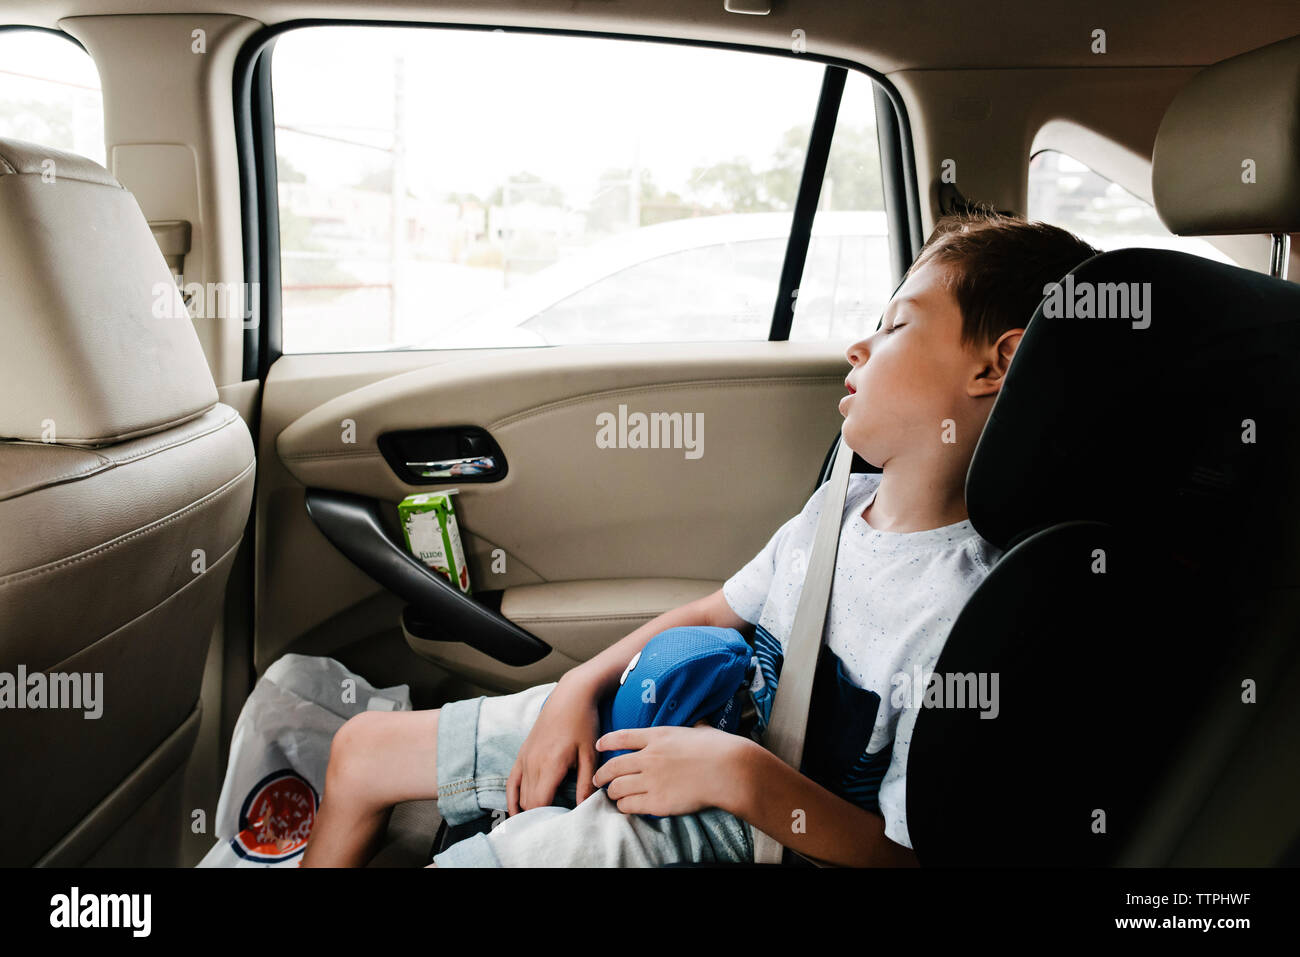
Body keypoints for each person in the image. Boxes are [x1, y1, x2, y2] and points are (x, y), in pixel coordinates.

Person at [299, 211, 1101, 868]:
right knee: (361, 748)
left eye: (894, 327)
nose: (858, 347)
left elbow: (905, 856)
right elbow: (717, 610)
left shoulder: (968, 609)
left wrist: (743, 776)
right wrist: (578, 688)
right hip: (678, 715)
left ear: (1000, 365)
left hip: (742, 822)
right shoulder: (837, 508)